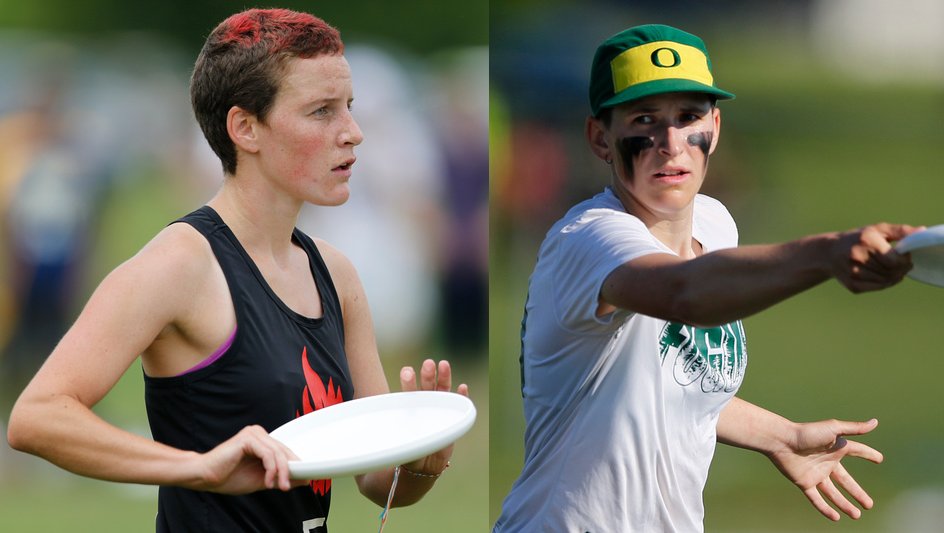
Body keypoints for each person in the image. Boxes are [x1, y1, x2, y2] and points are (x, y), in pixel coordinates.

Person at [6, 8, 468, 532]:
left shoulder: (335, 275)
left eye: (350, 107)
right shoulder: (181, 263)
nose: (354, 133)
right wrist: (199, 468)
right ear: (245, 127)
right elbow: (37, 417)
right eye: (322, 111)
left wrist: (420, 462)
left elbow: (376, 478)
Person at [493, 24, 918, 532]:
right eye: (644, 120)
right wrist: (825, 254)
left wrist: (779, 435)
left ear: (714, 128)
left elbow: (671, 385)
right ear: (600, 139)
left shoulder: (716, 224)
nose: (671, 143)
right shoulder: (587, 240)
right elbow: (685, 293)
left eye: (688, 117)